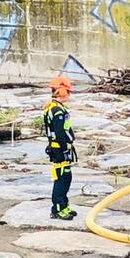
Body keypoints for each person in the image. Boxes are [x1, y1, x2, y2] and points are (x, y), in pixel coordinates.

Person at [43, 76, 77, 220]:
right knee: (62, 179)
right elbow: (59, 132)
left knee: (66, 178)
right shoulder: (56, 110)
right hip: (59, 149)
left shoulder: (56, 107)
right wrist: (64, 149)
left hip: (61, 148)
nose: (69, 94)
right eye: (68, 91)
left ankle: (64, 205)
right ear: (61, 91)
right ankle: (57, 209)